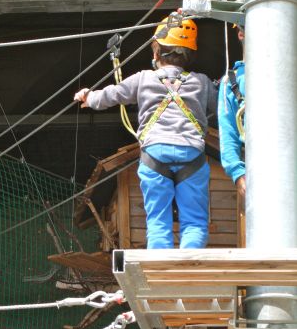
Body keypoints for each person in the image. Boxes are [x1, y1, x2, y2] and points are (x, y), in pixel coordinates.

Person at [74, 14, 217, 249]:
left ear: (156, 52)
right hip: (191, 155)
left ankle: (161, 276)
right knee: (195, 223)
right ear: (189, 54)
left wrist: (89, 97)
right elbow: (226, 109)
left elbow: (111, 95)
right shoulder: (202, 82)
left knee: (158, 223)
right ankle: (189, 272)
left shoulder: (143, 79)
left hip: (155, 156)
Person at [218, 25, 245, 196]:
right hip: (257, 163)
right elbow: (228, 130)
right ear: (241, 33)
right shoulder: (231, 80)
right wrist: (238, 173)